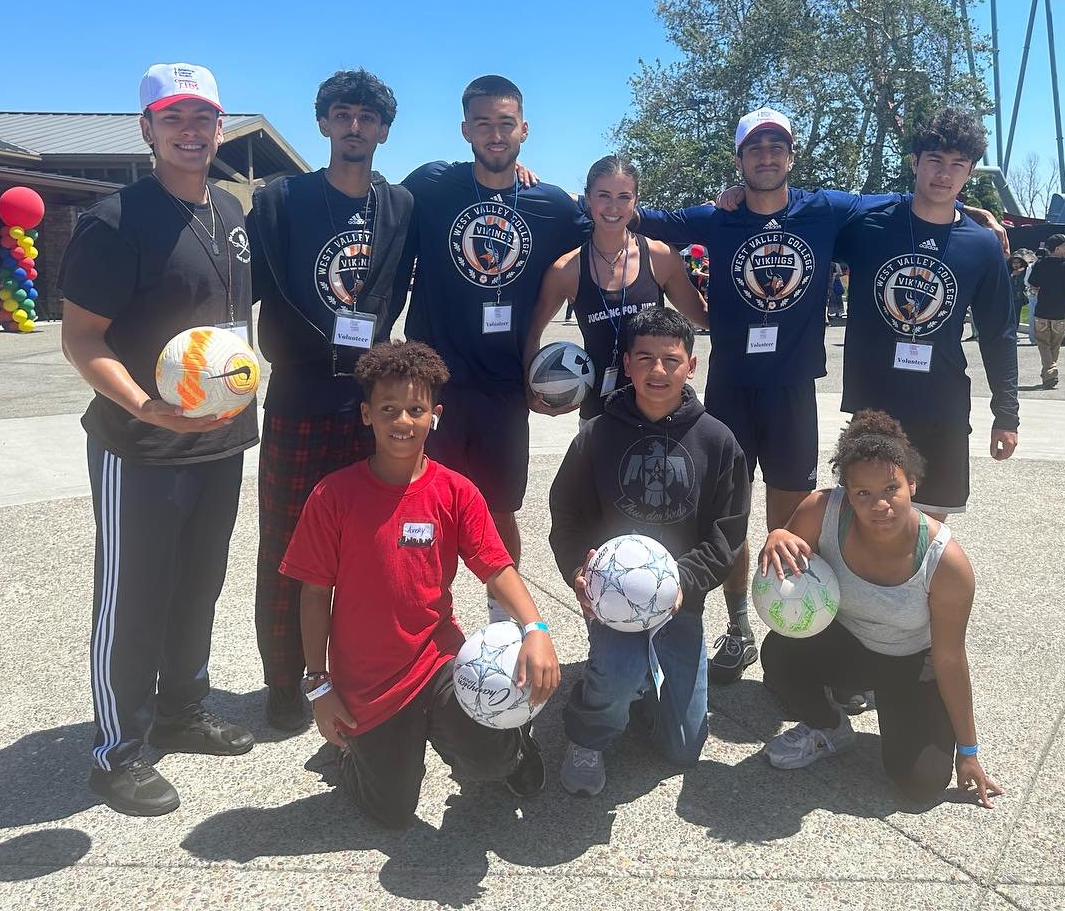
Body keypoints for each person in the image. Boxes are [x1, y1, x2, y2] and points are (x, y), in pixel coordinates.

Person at [633, 108, 898, 683]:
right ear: (740, 160)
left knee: (794, 518)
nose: (767, 157)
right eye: (756, 149)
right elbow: (638, 214)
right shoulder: (717, 217)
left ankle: (798, 634)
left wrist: (972, 211)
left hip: (792, 391)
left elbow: (904, 205)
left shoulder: (823, 209)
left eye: (777, 147)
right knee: (728, 518)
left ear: (792, 157)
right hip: (729, 388)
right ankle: (738, 628)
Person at [59, 63, 256, 816]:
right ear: (146, 129)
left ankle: (181, 710)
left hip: (221, 439)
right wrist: (147, 406)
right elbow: (82, 340)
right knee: (134, 596)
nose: (189, 130)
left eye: (202, 116)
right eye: (172, 117)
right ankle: (118, 751)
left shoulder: (232, 213)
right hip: (138, 445)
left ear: (219, 126)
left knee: (198, 587)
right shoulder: (115, 220)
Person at [281, 341, 558, 825]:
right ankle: (356, 756)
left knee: (488, 760)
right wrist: (319, 686)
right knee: (390, 811)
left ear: (435, 415)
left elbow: (496, 567)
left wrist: (536, 629)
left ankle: (511, 747)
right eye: (388, 409)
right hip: (368, 679)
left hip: (439, 661)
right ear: (366, 414)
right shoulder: (333, 496)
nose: (402, 421)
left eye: (415, 409)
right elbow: (313, 596)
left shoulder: (456, 491)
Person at [247, 69, 415, 733]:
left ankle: (356, 666)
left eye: (367, 118)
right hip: (296, 395)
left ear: (381, 130)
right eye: (342, 115)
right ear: (323, 123)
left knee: (369, 546)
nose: (354, 127)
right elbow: (242, 292)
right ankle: (284, 680)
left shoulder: (400, 206)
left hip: (370, 402)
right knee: (287, 547)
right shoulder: (281, 201)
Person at [399, 76, 588, 613]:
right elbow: (372, 207)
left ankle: (502, 624)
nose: (495, 134)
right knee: (423, 507)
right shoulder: (432, 185)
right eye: (483, 123)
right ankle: (425, 621)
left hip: (506, 387)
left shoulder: (549, 203)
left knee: (499, 511)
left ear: (524, 130)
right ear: (465, 130)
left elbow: (609, 235)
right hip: (434, 386)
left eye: (506, 123)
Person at [549, 309, 750, 794]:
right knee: (619, 674)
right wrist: (580, 571)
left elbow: (728, 533)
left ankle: (637, 686)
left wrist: (685, 582)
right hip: (613, 600)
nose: (658, 371)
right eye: (645, 358)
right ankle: (589, 726)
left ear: (691, 367)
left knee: (680, 747)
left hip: (681, 600)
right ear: (626, 363)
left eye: (671, 360)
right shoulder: (596, 435)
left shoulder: (717, 440)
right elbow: (567, 516)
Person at [758, 410, 1002, 808]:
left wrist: (969, 750)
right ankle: (829, 727)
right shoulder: (822, 511)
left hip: (910, 662)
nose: (879, 505)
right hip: (849, 645)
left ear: (912, 482)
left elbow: (951, 657)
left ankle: (902, 714)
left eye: (891, 488)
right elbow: (778, 585)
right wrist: (777, 537)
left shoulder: (947, 562)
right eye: (863, 494)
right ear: (847, 493)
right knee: (779, 651)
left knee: (921, 784)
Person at [834, 108, 1019, 522]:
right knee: (869, 523)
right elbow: (801, 218)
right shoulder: (869, 227)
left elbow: (998, 335)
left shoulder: (982, 246)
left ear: (970, 173)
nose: (944, 174)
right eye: (935, 160)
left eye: (958, 165)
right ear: (915, 162)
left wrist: (1006, 415)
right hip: (875, 406)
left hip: (943, 406)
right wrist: (736, 197)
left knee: (930, 531)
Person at [524, 155, 708, 421]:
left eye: (624, 196)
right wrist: (532, 387)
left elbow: (703, 317)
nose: (613, 207)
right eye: (604, 195)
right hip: (598, 416)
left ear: (636, 200)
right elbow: (531, 333)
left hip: (658, 411)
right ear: (588, 199)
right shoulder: (566, 270)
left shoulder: (660, 257)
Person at [1027, 233, 1065, 388]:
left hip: (1042, 311)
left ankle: (1049, 374)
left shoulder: (1040, 264)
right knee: (1055, 344)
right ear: (1058, 249)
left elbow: (1033, 285)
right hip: (1061, 312)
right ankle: (1051, 370)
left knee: (1043, 344)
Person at [1008, 251, 1031, 336]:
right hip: (1009, 298)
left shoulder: (1024, 272)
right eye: (1014, 262)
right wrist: (1012, 276)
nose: (1016, 264)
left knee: (1016, 317)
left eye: (1018, 262)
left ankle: (1013, 333)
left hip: (1018, 298)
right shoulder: (1008, 272)